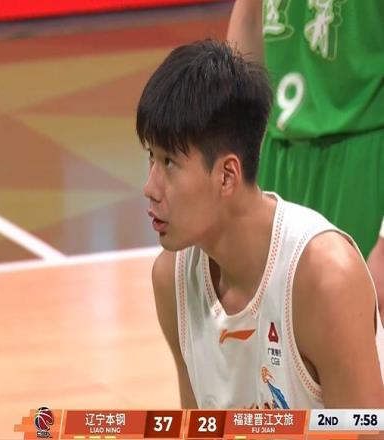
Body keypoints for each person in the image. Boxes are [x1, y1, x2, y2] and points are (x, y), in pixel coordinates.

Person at [136, 39, 384, 409]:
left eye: (169, 162)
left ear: (227, 175)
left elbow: (364, 431)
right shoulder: (171, 280)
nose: (150, 188)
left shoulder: (326, 278)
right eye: (151, 157)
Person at [227, 0, 384, 324]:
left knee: (361, 335)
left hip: (364, 157)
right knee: (274, 338)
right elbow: (250, 17)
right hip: (276, 153)